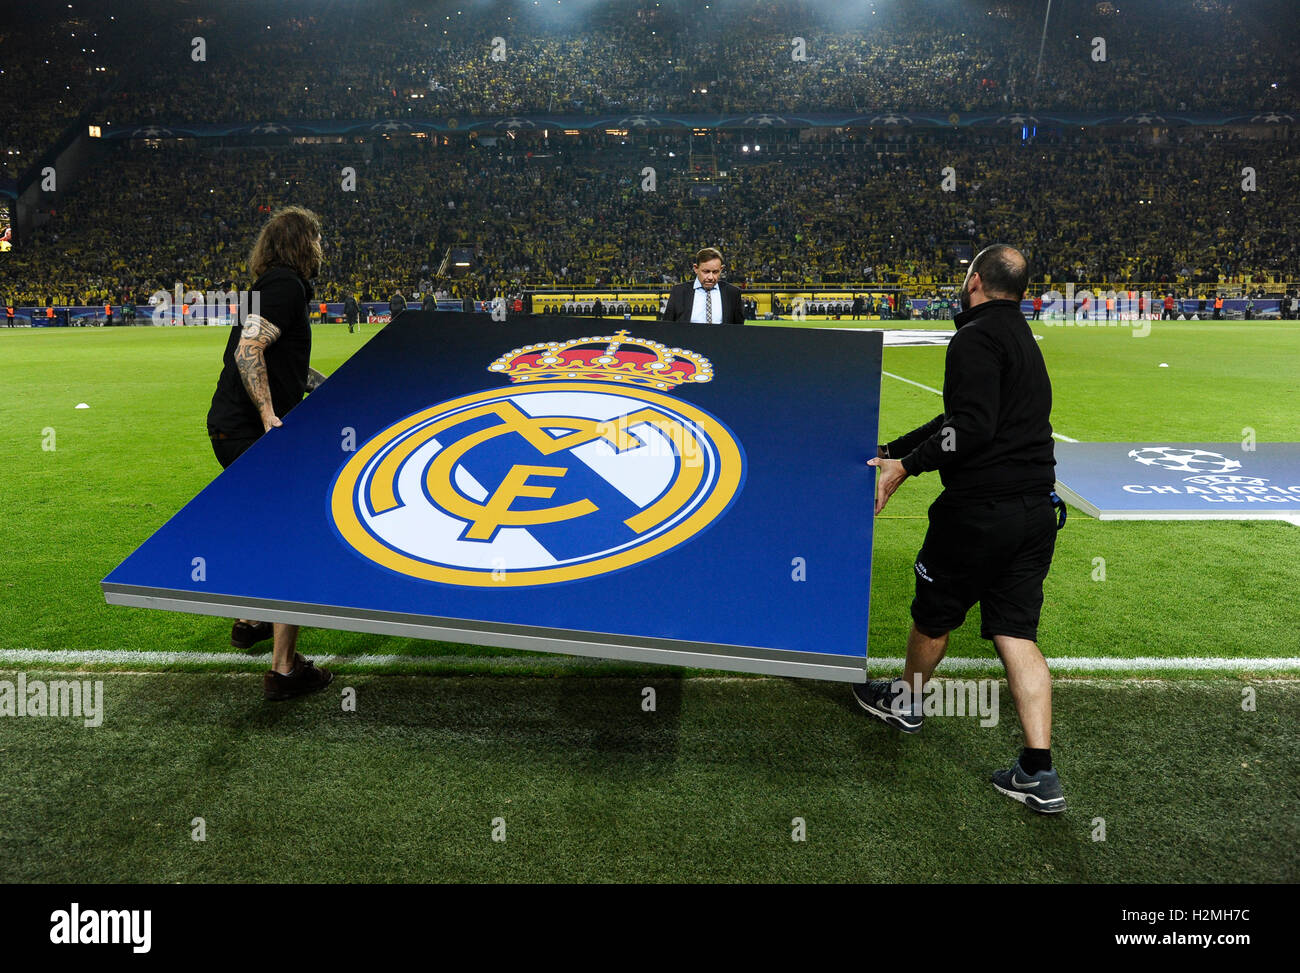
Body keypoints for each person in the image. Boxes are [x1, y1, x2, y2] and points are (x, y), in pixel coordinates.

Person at [858, 244, 1066, 814]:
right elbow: (959, 419)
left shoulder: (974, 338)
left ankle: (906, 702)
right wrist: (895, 450)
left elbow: (969, 429)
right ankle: (1038, 770)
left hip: (980, 511)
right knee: (1017, 634)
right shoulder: (1021, 337)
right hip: (1036, 512)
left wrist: (906, 466)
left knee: (934, 613)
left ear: (974, 282)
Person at [204, 205, 334, 702]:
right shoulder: (287, 287)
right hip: (250, 433)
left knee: (267, 526)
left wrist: (326, 388)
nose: (321, 247)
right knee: (295, 539)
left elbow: (279, 362)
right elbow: (247, 352)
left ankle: (251, 618)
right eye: (317, 238)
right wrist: (268, 416)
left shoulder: (268, 287)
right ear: (301, 243)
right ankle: (284, 671)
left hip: (227, 429)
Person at [659, 247, 746, 324]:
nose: (711, 277)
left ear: (721, 269)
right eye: (706, 271)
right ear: (696, 268)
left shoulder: (733, 293)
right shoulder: (679, 292)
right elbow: (667, 326)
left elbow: (738, 329)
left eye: (715, 272)